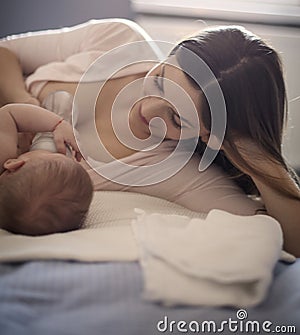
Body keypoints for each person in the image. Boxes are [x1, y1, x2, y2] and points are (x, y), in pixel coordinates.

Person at [0, 19, 299, 256]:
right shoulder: (118, 39)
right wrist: (23, 102)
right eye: (159, 81)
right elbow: (6, 52)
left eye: (176, 119)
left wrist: (255, 153)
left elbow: (291, 241)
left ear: (209, 137)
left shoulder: (173, 171)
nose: (147, 109)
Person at [0, 103, 93, 236]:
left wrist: (57, 124)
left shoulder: (3, 153)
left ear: (14, 164)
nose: (60, 150)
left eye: (51, 154)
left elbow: (8, 114)